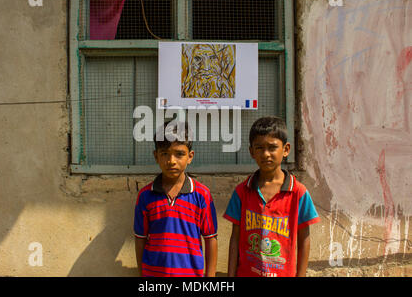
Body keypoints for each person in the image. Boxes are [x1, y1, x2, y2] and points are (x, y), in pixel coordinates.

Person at [224, 116, 320, 277]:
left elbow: (304, 240)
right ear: (251, 152)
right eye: (259, 148)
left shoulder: (298, 193)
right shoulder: (242, 192)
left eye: (272, 147)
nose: (266, 154)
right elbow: (235, 239)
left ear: (286, 149)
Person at [134, 121, 218, 277]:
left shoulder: (201, 194)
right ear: (156, 156)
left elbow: (210, 238)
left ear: (190, 156)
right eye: (165, 153)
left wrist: (210, 277)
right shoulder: (146, 195)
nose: (171, 161)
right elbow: (140, 238)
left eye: (179, 154)